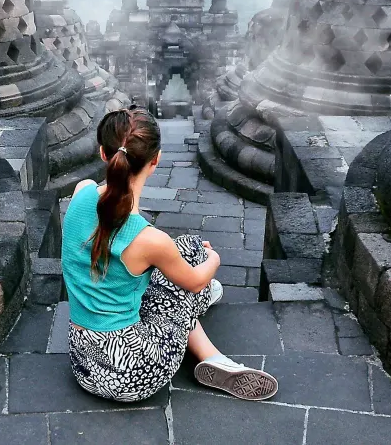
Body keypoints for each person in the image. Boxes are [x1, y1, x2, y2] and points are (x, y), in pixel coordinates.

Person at [61, 106, 278, 402]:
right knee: (191, 266)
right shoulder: (149, 240)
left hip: (83, 362)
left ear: (102, 153)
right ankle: (213, 356)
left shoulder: (81, 192)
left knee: (180, 250)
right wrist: (214, 261)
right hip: (133, 373)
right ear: (156, 160)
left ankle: (206, 326)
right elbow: (194, 281)